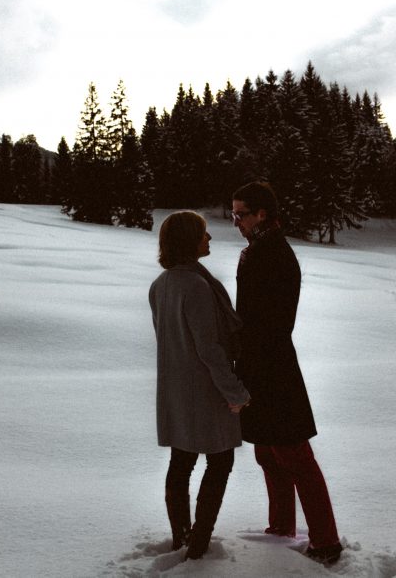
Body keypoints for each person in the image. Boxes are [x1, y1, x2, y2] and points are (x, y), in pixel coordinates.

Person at [231, 181, 344, 566]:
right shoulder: (258, 251)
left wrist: (247, 359)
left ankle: (326, 542)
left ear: (261, 214)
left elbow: (271, 324)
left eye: (240, 214)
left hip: (274, 370)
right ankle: (281, 530)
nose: (235, 222)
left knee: (294, 454)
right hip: (260, 367)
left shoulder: (274, 254)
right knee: (268, 451)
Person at [148, 211, 251, 560]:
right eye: (204, 234)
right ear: (188, 241)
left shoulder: (160, 285)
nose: (210, 240)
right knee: (219, 462)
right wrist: (235, 393)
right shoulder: (196, 285)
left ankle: (183, 538)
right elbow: (209, 349)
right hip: (204, 392)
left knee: (181, 463)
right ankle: (197, 545)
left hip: (175, 391)